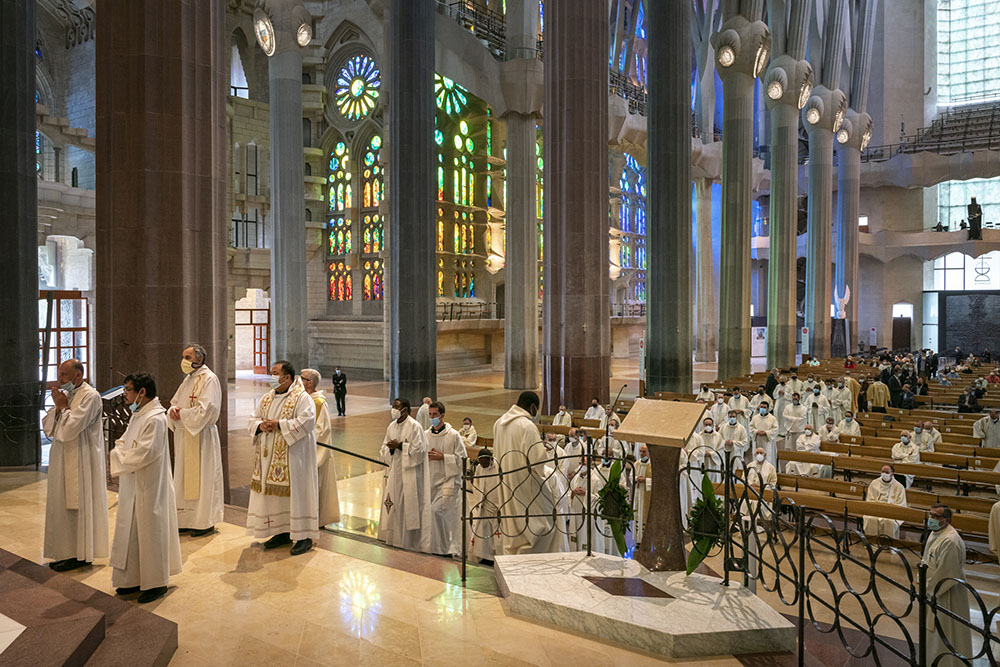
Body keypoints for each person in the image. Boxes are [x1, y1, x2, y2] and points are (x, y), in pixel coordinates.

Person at [109, 373, 182, 603]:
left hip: (150, 485)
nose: (125, 394)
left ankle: (156, 582)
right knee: (131, 530)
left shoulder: (156, 418)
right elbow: (122, 441)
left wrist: (121, 457)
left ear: (142, 392)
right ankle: (132, 578)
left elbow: (146, 453)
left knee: (151, 532)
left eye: (128, 390)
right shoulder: (139, 414)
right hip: (134, 482)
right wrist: (121, 453)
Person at [42, 359, 109, 572]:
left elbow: (72, 429)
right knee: (61, 504)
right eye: (59, 374)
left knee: (78, 504)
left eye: (64, 375)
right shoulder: (69, 394)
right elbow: (49, 427)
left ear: (78, 376)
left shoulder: (90, 396)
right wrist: (59, 407)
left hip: (82, 458)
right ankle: (66, 551)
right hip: (63, 456)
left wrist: (63, 407)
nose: (59, 379)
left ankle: (81, 554)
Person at [247, 361, 320, 556]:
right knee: (276, 498)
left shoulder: (302, 398)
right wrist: (261, 426)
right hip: (269, 458)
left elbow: (307, 422)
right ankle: (282, 531)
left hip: (295, 457)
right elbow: (253, 418)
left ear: (287, 377)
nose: (271, 377)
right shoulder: (267, 398)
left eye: (275, 373)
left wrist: (280, 424)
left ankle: (304, 536)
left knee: (297, 494)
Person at [493, 391, 562, 553]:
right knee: (543, 525)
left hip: (506, 481)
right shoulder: (527, 426)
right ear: (532, 407)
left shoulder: (499, 423)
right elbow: (538, 461)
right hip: (525, 483)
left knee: (513, 526)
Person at [167, 344, 224, 538]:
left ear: (199, 359)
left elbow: (208, 410)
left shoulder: (209, 379)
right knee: (183, 478)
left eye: (187, 357)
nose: (184, 361)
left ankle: (203, 522)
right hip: (185, 435)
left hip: (201, 437)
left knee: (203, 478)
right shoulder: (188, 379)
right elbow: (175, 402)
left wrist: (181, 414)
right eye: (183, 356)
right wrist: (173, 411)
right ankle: (185, 520)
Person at [379, 398, 432, 552]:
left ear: (406, 409)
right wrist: (390, 448)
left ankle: (409, 543)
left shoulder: (415, 427)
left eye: (397, 407)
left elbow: (420, 452)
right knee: (393, 503)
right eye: (393, 406)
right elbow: (383, 448)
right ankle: (393, 539)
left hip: (410, 474)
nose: (393, 409)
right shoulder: (391, 426)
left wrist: (401, 445)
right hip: (395, 471)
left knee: (407, 506)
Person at [922, 504, 973, 664]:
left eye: (936, 516)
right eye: (930, 515)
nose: (932, 519)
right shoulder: (935, 532)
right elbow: (926, 559)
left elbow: (947, 573)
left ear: (947, 520)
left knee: (948, 632)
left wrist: (928, 589)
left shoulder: (950, 541)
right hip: (933, 588)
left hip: (946, 591)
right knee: (934, 634)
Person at [425, 401, 468, 557]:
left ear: (442, 415)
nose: (432, 418)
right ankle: (435, 546)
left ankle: (444, 548)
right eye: (430, 415)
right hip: (431, 480)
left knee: (437, 511)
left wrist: (444, 457)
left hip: (449, 481)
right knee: (431, 514)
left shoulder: (454, 435)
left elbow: (463, 459)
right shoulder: (425, 434)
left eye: (435, 415)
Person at [301, 369, 340, 528]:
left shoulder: (318, 402)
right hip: (303, 452)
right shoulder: (305, 399)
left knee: (315, 488)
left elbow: (323, 431)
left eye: (301, 378)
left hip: (314, 454)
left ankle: (315, 520)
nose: (299, 381)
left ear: (310, 383)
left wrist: (303, 440)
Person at [863, 465, 907, 539]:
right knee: (870, 519)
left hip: (891, 512)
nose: (884, 474)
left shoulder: (899, 487)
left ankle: (889, 545)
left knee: (890, 522)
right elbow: (869, 499)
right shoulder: (874, 483)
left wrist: (888, 509)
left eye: (886, 472)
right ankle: (872, 543)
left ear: (892, 473)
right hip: (876, 509)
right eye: (882, 472)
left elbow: (901, 504)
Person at [749, 402, 779, 466]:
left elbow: (775, 430)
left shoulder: (772, 418)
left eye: (764, 407)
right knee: (757, 457)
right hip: (758, 440)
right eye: (761, 407)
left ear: (768, 409)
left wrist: (766, 433)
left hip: (767, 441)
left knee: (768, 458)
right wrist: (756, 431)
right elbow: (750, 427)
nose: (762, 408)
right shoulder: (755, 418)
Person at [633, 444, 651, 545]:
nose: (641, 454)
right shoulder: (637, 464)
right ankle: (638, 540)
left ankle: (646, 539)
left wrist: (646, 480)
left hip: (647, 495)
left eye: (644, 452)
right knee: (638, 514)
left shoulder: (653, 465)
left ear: (649, 453)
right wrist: (636, 478)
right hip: (638, 493)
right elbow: (632, 475)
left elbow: (657, 481)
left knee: (646, 515)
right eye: (640, 451)